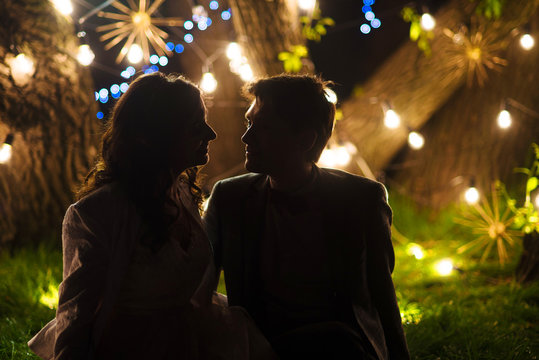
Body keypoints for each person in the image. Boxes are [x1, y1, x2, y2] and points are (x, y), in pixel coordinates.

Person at [28, 72, 275, 360]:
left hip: (194, 337)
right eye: (196, 126)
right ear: (152, 137)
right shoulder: (95, 214)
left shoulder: (183, 193)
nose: (211, 134)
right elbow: (75, 312)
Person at [204, 74, 410, 359]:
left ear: (304, 139)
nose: (246, 136)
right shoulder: (229, 198)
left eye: (262, 127)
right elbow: (201, 289)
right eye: (249, 122)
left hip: (340, 345)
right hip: (261, 344)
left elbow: (382, 296)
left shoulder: (362, 199)